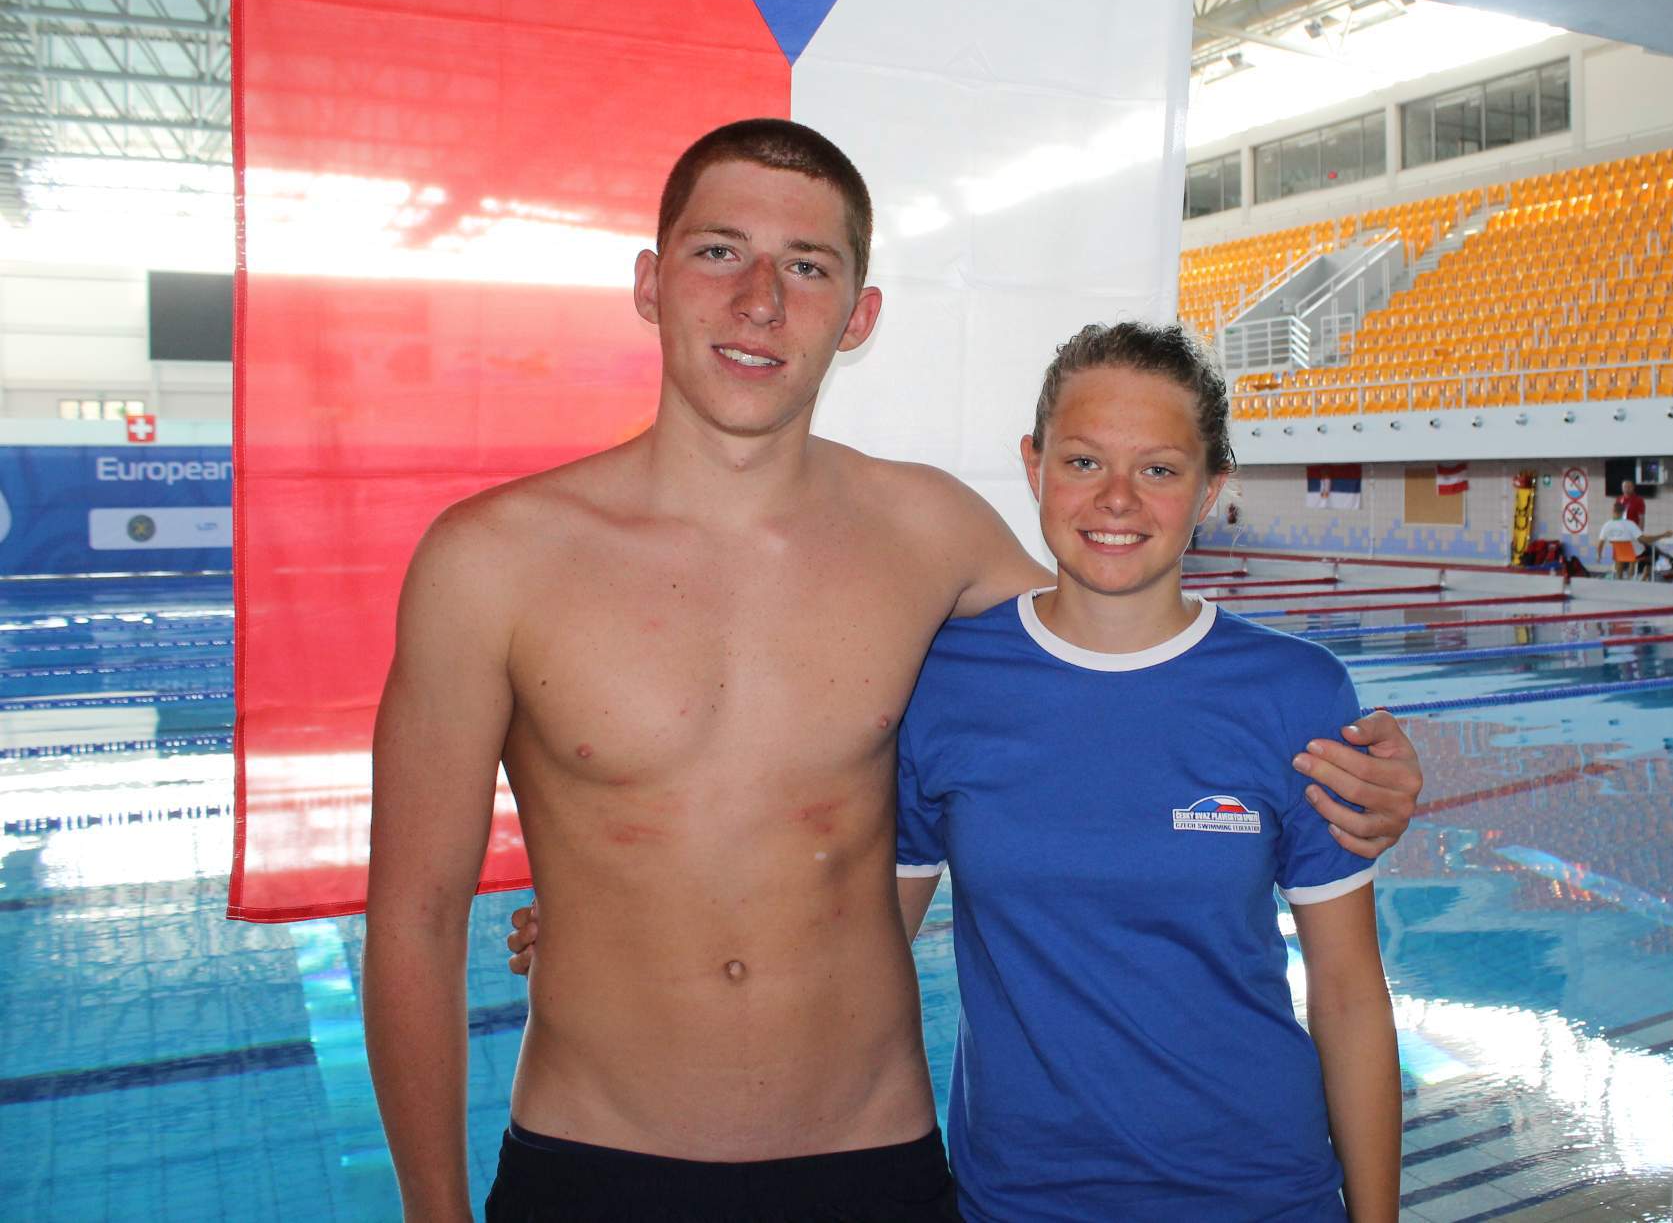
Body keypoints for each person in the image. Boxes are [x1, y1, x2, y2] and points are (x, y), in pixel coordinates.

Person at [365, 117, 1427, 1223]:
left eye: (806, 266)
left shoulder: (927, 534)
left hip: (867, 1160)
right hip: (595, 1152)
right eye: (720, 251)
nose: (759, 301)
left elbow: (1119, 647)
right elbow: (414, 919)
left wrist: (1356, 771)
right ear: (649, 281)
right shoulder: (491, 561)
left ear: (858, 314)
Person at [894, 323, 1399, 1221]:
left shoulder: (1295, 690)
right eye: (1083, 461)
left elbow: (1350, 990)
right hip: (1019, 1199)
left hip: (1259, 1193)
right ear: (1034, 465)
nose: (1117, 498)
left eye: (1159, 468)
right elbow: (865, 956)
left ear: (1212, 488)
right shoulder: (946, 679)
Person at [1595, 499, 1643, 579]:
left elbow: (1600, 544)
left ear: (1612, 511)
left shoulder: (1607, 525)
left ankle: (1619, 577)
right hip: (1632, 554)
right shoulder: (1630, 524)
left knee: (1619, 555)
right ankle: (1631, 578)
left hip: (1618, 553)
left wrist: (1599, 556)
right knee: (1636, 554)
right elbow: (1641, 538)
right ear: (1624, 512)